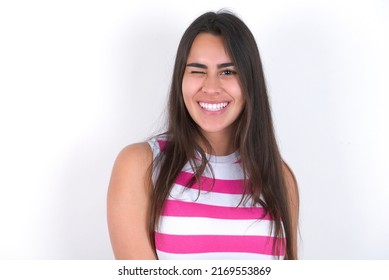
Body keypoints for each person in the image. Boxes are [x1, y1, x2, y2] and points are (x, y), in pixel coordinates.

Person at [107, 10, 299, 260]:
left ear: (250, 82)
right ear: (180, 79)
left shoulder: (279, 177)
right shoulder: (141, 165)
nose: (210, 87)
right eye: (197, 70)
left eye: (227, 72)